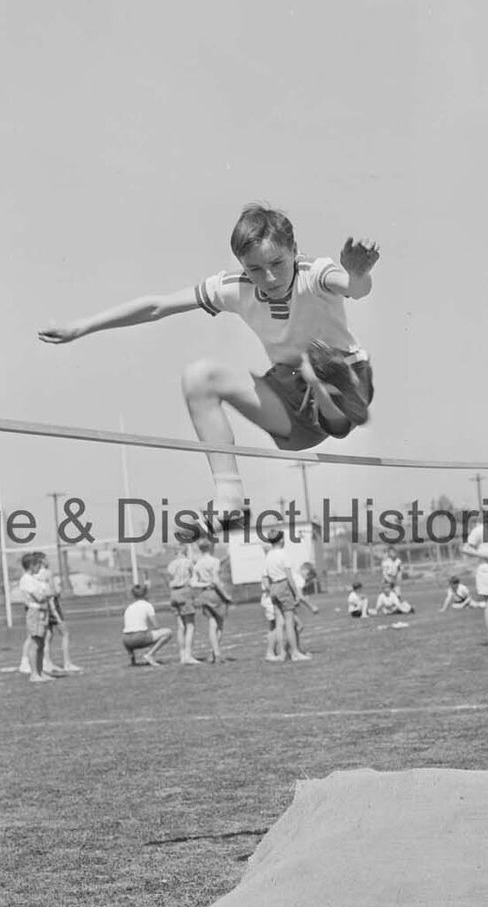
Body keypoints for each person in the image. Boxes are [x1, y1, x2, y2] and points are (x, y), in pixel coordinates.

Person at [39, 203, 379, 538]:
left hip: (347, 380)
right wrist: (82, 327)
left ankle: (329, 389)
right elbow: (158, 306)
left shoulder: (315, 273)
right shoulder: (234, 287)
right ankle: (230, 499)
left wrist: (358, 274)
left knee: (317, 364)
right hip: (291, 400)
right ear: (243, 266)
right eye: (256, 269)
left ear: (294, 250)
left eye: (277, 263)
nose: (270, 277)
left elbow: (354, 288)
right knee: (199, 377)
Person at [263, 531, 309, 661]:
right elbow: (289, 577)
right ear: (281, 540)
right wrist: (297, 593)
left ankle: (282, 653)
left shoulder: (268, 556)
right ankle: (294, 652)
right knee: (289, 621)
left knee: (279, 623)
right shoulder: (283, 555)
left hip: (273, 587)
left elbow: (266, 576)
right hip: (283, 586)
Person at [190, 537, 234, 663]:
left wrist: (204, 584)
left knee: (211, 623)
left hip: (204, 594)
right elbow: (216, 580)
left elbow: (193, 583)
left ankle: (214, 653)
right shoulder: (214, 561)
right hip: (215, 593)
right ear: (210, 547)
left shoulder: (197, 563)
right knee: (219, 625)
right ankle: (217, 653)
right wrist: (226, 595)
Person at [18, 551, 53, 684]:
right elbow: (39, 596)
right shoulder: (26, 579)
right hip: (35, 612)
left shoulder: (34, 579)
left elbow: (47, 591)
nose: (39, 567)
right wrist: (46, 593)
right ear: (31, 565)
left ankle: (40, 671)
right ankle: (34, 673)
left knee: (42, 642)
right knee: (35, 642)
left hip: (43, 610)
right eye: (37, 564)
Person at [42, 563, 83, 674]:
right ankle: (67, 663)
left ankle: (47, 662)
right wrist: (59, 592)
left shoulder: (35, 575)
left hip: (44, 606)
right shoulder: (48, 572)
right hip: (52, 605)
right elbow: (52, 591)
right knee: (65, 633)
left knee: (48, 635)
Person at [166, 543, 202, 665]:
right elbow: (194, 576)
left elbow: (169, 577)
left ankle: (182, 655)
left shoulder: (171, 564)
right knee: (190, 625)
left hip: (173, 593)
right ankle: (188, 655)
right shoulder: (188, 562)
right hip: (185, 591)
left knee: (180, 626)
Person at [121, 584, 173, 666]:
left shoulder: (129, 607)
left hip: (126, 640)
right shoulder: (147, 605)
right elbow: (156, 626)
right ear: (146, 594)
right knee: (168, 632)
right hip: (139, 638)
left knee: (131, 633)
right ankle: (150, 654)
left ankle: (132, 660)